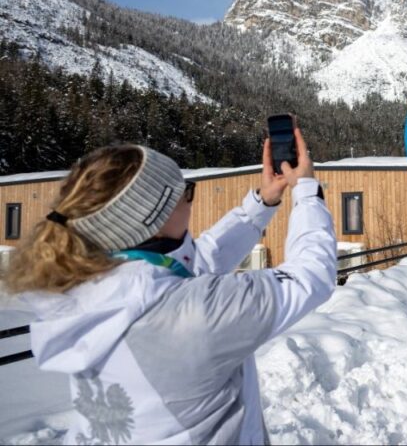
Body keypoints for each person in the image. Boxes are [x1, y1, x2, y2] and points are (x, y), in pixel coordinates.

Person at [2, 125, 337, 445]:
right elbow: (311, 274)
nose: (190, 199)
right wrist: (306, 190)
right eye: (185, 194)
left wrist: (262, 204)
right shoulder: (195, 315)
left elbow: (198, 262)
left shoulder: (90, 288)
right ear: (155, 221)